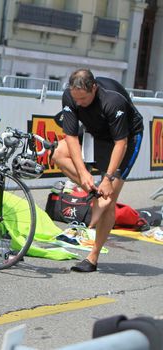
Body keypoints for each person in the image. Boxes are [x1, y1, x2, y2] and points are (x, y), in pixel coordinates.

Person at [52, 68, 143, 273]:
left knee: (109, 198)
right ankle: (94, 195)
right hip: (97, 133)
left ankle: (93, 257)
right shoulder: (70, 96)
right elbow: (72, 137)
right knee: (58, 154)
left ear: (94, 88)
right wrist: (83, 173)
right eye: (76, 99)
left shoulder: (112, 101)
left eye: (83, 99)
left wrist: (108, 178)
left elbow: (121, 143)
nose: (79, 103)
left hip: (125, 138)